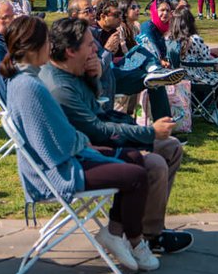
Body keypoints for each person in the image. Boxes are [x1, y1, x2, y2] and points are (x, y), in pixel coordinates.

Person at [0, 15, 154, 273]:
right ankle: (134, 241)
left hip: (61, 160)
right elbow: (54, 140)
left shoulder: (24, 80)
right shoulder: (31, 86)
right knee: (137, 174)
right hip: (57, 172)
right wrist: (85, 146)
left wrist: (84, 144)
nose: (51, 48)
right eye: (47, 42)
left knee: (136, 159)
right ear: (35, 47)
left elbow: (57, 133)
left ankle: (115, 235)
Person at [42, 16, 193, 255]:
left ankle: (150, 230)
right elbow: (98, 128)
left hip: (96, 143)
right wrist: (149, 132)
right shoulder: (59, 87)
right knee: (155, 163)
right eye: (90, 45)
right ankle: (140, 235)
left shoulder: (73, 71)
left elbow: (98, 107)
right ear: (70, 51)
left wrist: (94, 78)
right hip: (84, 154)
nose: (96, 49)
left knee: (172, 147)